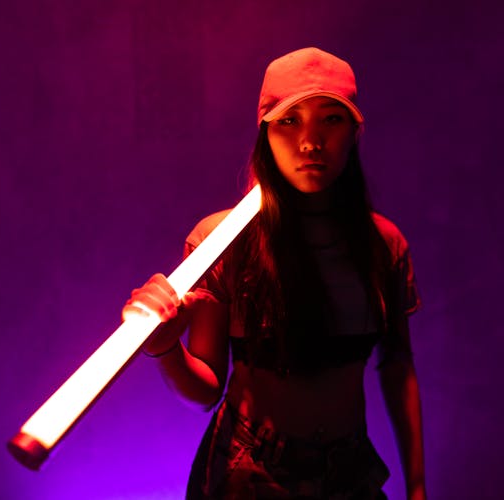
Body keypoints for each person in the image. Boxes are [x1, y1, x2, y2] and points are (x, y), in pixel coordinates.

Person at [123, 47, 426, 499]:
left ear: (355, 132)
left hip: (348, 474)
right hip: (247, 475)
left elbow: (397, 366)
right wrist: (164, 347)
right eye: (289, 119)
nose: (310, 140)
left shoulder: (384, 245)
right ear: (264, 132)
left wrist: (418, 489)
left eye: (331, 118)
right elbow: (205, 388)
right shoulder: (221, 240)